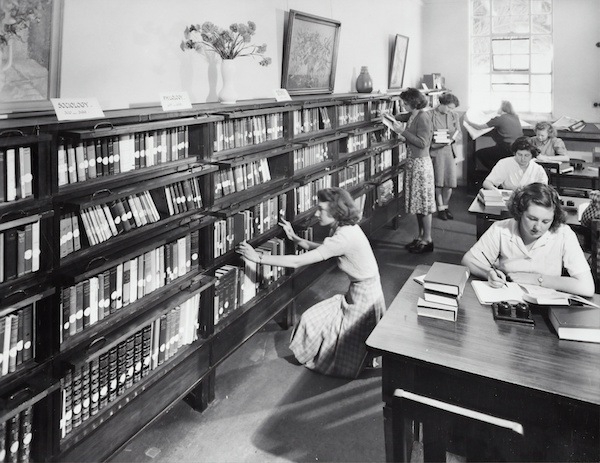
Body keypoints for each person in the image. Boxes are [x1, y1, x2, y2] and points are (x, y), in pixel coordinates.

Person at [236, 187, 386, 379]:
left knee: (350, 343)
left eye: (321, 209)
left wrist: (258, 258)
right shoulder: (344, 228)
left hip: (364, 297)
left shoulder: (343, 236)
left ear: (336, 211)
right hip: (362, 291)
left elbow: (299, 261)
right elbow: (326, 249)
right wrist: (296, 239)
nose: (316, 213)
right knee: (322, 325)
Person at [462, 183, 594, 297]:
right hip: (506, 299)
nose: (538, 227)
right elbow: (468, 260)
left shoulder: (564, 234)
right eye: (532, 218)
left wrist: (537, 279)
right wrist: (488, 272)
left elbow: (587, 287)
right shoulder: (501, 229)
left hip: (546, 306)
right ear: (520, 212)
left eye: (546, 221)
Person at [390, 87, 436, 253]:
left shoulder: (423, 117)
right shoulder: (414, 114)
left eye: (405, 102)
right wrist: (388, 117)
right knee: (418, 204)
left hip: (420, 165)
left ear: (414, 103)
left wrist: (403, 132)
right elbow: (401, 117)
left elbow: (423, 142)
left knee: (423, 205)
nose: (403, 105)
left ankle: (427, 239)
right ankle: (421, 237)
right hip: (413, 163)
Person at [465, 100, 523, 171]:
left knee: (479, 154)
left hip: (507, 149)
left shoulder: (499, 119)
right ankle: (499, 171)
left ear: (502, 108)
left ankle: (497, 172)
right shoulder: (515, 117)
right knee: (496, 151)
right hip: (516, 148)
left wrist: (468, 121)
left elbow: (479, 127)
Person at [429, 93, 461, 220]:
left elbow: (459, 133)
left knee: (449, 181)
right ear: (441, 104)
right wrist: (438, 140)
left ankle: (446, 206)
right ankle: (440, 208)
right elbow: (428, 133)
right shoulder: (430, 115)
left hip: (449, 150)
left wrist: (453, 139)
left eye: (452, 108)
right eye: (449, 107)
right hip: (437, 151)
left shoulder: (454, 115)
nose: (450, 110)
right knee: (438, 181)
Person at [482, 136, 548, 191]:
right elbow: (487, 182)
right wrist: (493, 189)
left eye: (526, 155)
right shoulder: (504, 163)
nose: (522, 158)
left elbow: (544, 189)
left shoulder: (538, 169)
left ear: (532, 156)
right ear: (514, 153)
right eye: (519, 154)